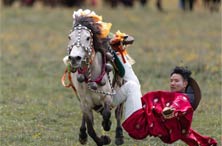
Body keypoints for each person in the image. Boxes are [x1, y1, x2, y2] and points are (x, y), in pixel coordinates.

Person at [122, 66, 217, 146]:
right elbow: (187, 134)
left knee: (132, 86)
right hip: (140, 115)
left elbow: (179, 106)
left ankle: (108, 102)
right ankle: (118, 51)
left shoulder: (182, 99)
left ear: (185, 84)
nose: (172, 83)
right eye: (171, 80)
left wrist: (171, 110)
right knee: (133, 81)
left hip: (138, 123)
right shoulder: (173, 98)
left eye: (176, 81)